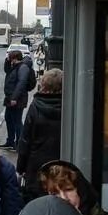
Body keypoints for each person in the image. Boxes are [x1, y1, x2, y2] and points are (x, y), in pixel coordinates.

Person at [15, 68, 64, 198]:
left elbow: (25, 141)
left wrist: (20, 168)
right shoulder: (69, 105)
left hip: (36, 167)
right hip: (62, 165)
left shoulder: (36, 106)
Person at [1, 47, 35, 146]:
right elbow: (7, 70)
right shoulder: (15, 66)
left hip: (17, 99)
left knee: (17, 121)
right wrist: (6, 61)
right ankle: (10, 141)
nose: (10, 60)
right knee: (9, 118)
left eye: (11, 58)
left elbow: (21, 83)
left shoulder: (23, 68)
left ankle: (20, 143)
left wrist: (14, 98)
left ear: (15, 58)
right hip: (10, 98)